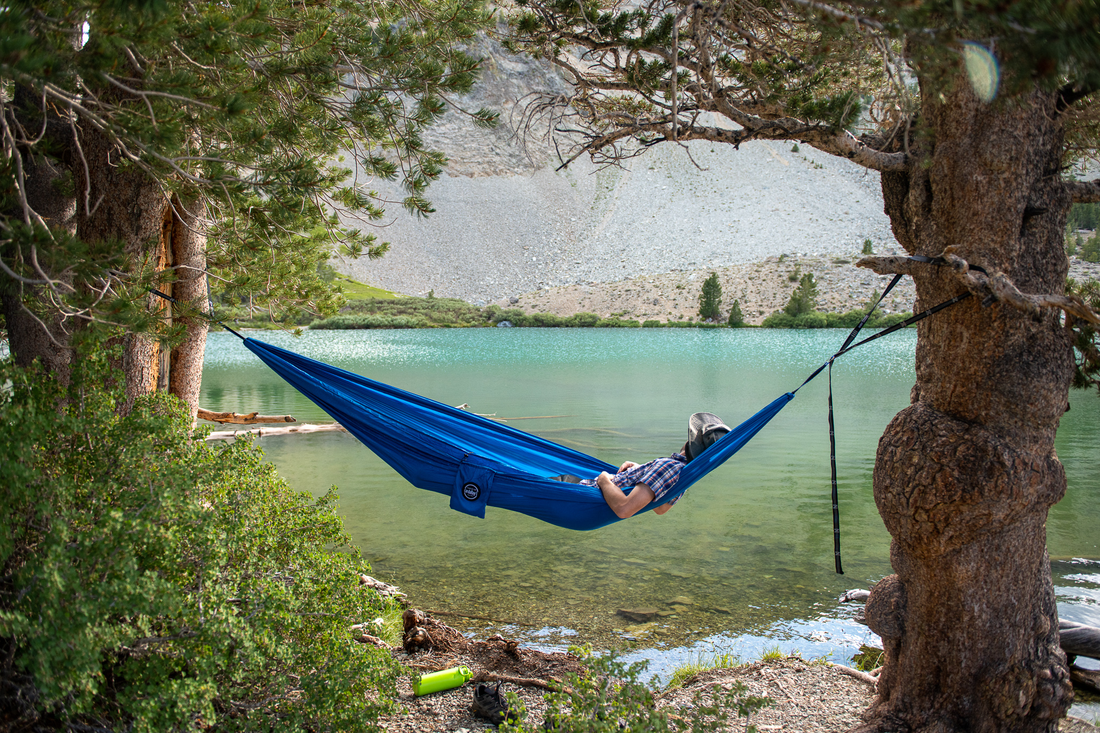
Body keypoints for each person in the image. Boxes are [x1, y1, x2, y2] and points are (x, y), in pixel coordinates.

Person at [553, 412, 730, 519]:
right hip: (587, 502)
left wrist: (603, 479)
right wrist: (640, 471)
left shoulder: (667, 467)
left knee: (530, 479)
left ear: (691, 441)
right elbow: (660, 508)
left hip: (580, 492)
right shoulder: (684, 475)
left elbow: (624, 509)